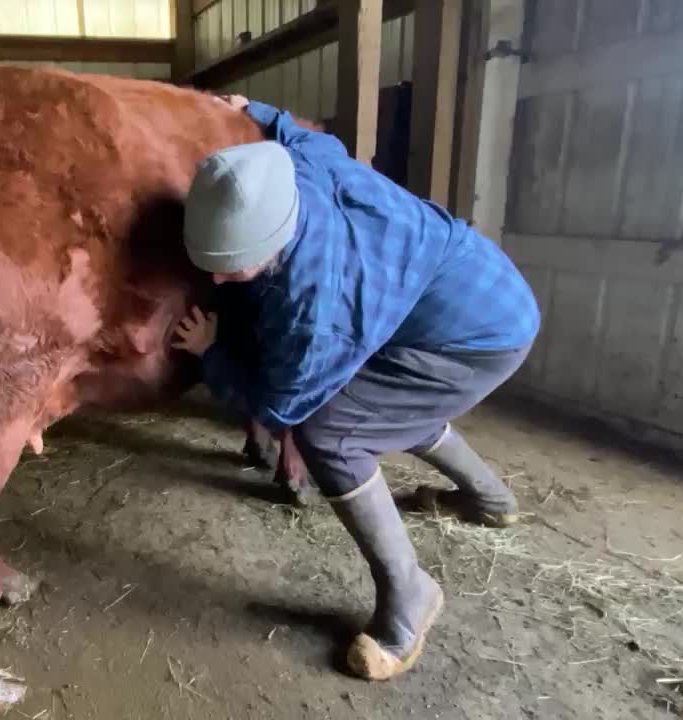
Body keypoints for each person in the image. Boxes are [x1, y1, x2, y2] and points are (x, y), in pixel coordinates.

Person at [172, 95, 541, 682]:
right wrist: (255, 108)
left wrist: (213, 355)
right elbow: (310, 137)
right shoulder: (299, 168)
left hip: (475, 339)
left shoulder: (313, 309)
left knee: (332, 431)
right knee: (389, 405)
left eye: (232, 267)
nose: (216, 279)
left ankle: (411, 594)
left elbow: (279, 409)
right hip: (477, 281)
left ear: (274, 240)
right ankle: (490, 499)